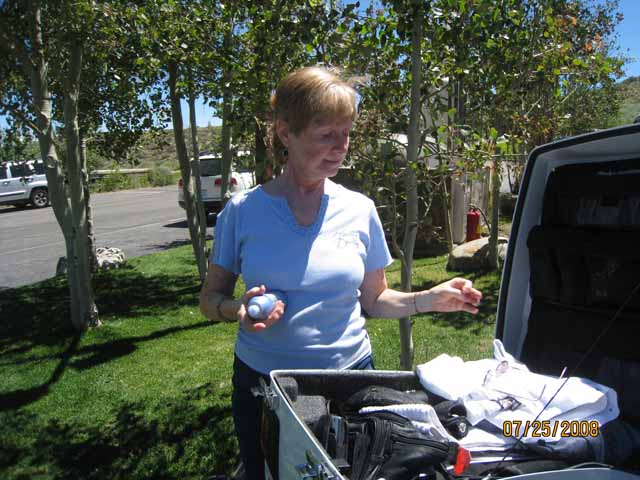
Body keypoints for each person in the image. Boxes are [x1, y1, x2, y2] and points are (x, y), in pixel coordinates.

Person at [199, 66, 483, 479]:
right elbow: (209, 300)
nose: (341, 147)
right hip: (264, 386)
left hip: (349, 380)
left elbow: (375, 300)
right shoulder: (242, 212)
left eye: (346, 133)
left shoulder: (359, 209)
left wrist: (428, 299)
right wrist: (236, 310)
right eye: (326, 135)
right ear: (286, 133)